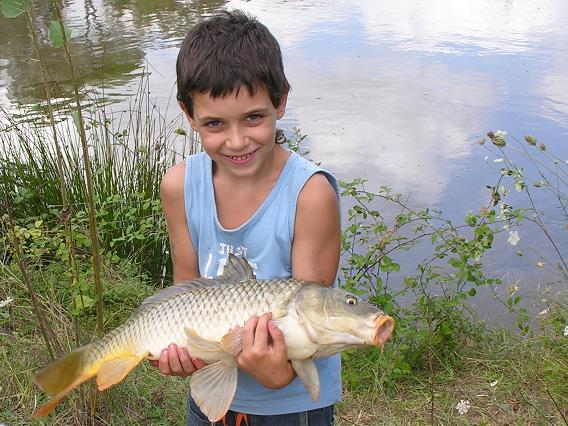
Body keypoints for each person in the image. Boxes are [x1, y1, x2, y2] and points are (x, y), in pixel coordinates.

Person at [154, 9, 341, 426]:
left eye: (253, 117)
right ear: (188, 114)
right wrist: (179, 350)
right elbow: (187, 285)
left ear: (281, 100)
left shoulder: (311, 195)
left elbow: (316, 318)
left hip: (291, 406)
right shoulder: (180, 186)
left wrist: (279, 373)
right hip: (209, 393)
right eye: (215, 124)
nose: (237, 141)